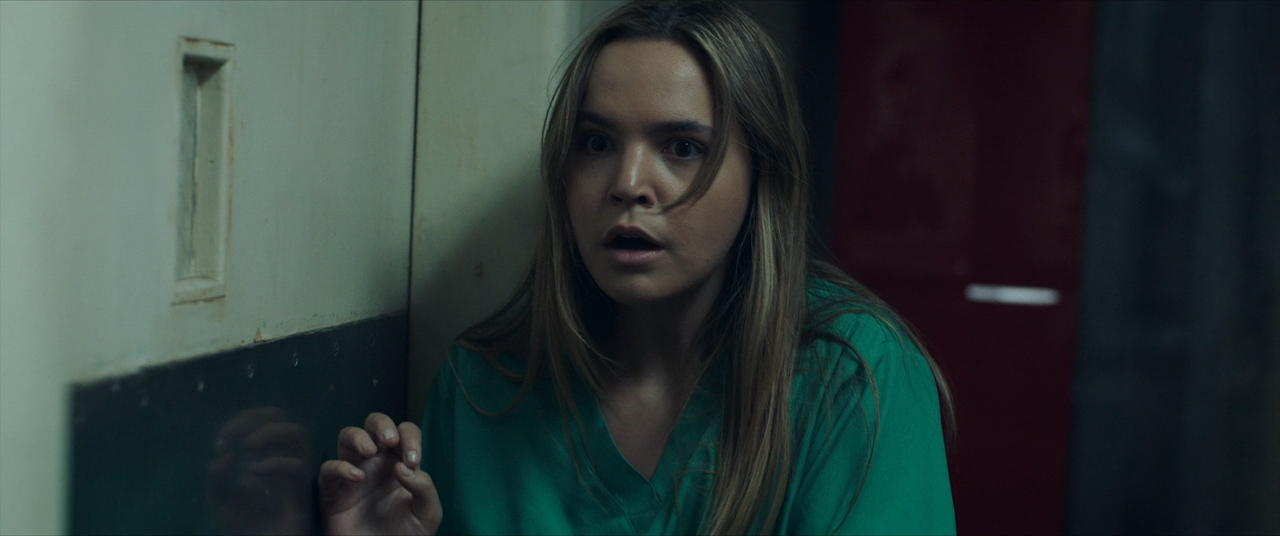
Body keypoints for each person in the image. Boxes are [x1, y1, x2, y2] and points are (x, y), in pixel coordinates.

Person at [317, 1, 955, 534]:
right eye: (596, 143)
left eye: (682, 148)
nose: (627, 183)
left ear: (762, 175)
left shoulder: (852, 377)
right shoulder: (484, 391)